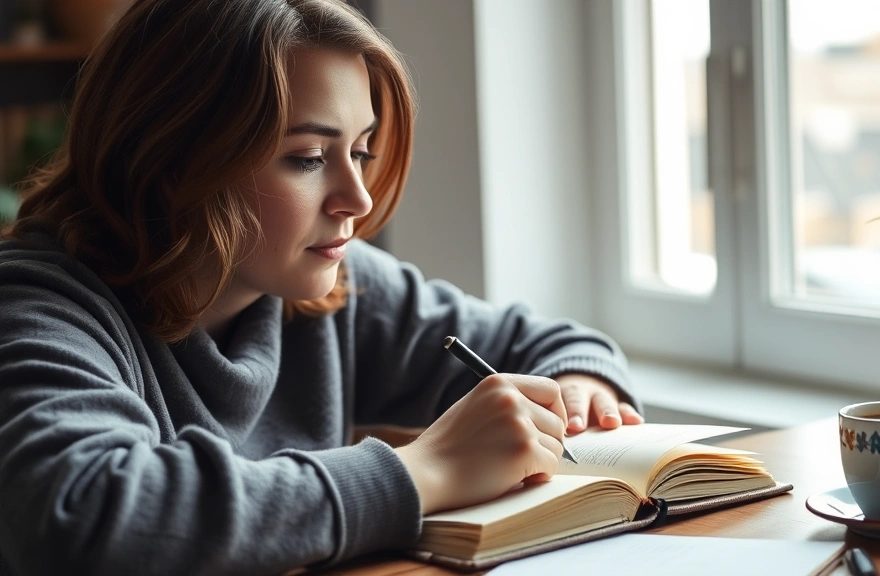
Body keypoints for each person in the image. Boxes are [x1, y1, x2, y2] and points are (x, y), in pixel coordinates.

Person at [0, 1, 643, 575]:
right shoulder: (36, 306)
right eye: (307, 156)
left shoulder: (329, 285)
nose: (357, 198)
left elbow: (548, 341)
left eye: (361, 150)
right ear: (170, 159)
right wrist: (424, 471)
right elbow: (80, 518)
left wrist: (582, 387)